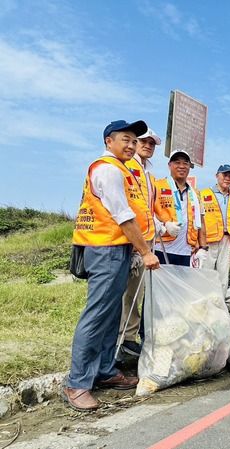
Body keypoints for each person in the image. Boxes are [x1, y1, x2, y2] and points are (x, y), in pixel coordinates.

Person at [65, 120, 160, 412]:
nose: (131, 145)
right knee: (97, 315)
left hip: (117, 249)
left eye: (134, 140)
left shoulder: (123, 169)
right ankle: (76, 383)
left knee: (111, 313)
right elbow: (123, 216)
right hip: (104, 250)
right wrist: (145, 251)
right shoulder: (107, 169)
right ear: (109, 141)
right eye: (125, 140)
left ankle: (105, 371)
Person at [118, 128, 161, 359]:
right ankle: (122, 338)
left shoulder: (147, 173)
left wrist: (160, 225)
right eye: (143, 141)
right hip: (130, 240)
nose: (147, 146)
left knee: (137, 291)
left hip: (145, 239)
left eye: (152, 143)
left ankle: (129, 337)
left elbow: (147, 206)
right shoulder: (128, 166)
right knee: (126, 293)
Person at [154, 150, 205, 266]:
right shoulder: (157, 186)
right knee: (161, 284)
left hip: (186, 251)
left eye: (185, 163)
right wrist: (164, 225)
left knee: (180, 284)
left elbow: (201, 221)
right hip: (161, 248)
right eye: (177, 162)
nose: (182, 166)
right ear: (169, 165)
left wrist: (203, 247)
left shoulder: (195, 193)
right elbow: (147, 212)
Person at [200, 165, 230, 294]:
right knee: (205, 272)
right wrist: (199, 242)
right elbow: (198, 220)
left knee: (223, 274)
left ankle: (220, 306)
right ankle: (203, 304)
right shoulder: (204, 194)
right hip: (208, 239)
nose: (228, 178)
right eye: (225, 175)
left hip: (227, 239)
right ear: (217, 175)